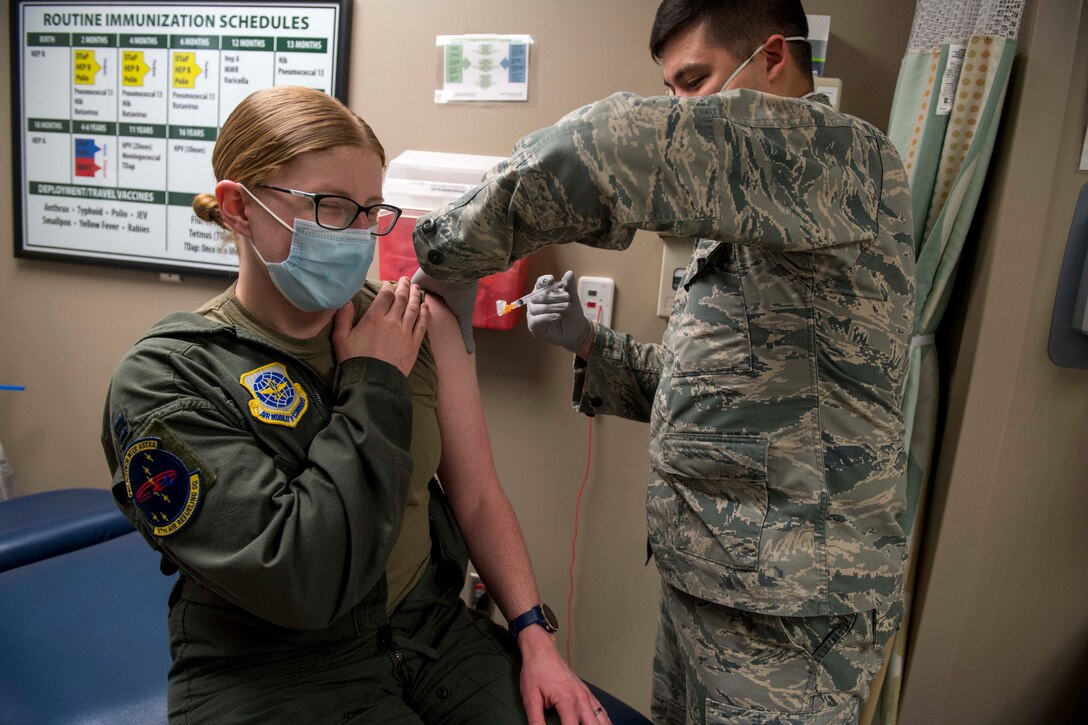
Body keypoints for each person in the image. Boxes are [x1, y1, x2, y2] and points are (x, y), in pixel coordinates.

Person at [411, 1, 916, 722]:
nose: (681, 108)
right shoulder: (762, 221)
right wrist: (592, 347)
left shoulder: (841, 159)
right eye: (671, 88)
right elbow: (727, 394)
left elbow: (608, 144)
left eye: (693, 80)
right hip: (712, 580)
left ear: (773, 57)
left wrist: (447, 249)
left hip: (789, 610)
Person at [100, 85, 610, 725]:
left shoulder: (417, 324)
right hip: (277, 664)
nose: (361, 234)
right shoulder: (169, 378)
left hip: (429, 630)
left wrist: (535, 637)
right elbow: (299, 579)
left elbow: (478, 496)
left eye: (372, 210)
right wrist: (372, 379)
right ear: (238, 208)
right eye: (333, 207)